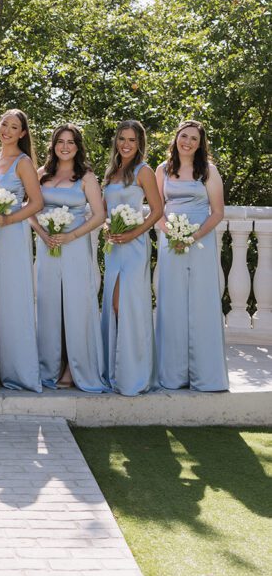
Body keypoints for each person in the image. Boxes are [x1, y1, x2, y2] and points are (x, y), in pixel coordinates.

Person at [155, 120, 228, 391]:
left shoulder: (208, 171)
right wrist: (171, 234)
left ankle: (205, 376)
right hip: (170, 242)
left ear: (200, 144)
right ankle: (172, 375)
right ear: (176, 138)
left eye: (193, 139)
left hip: (201, 243)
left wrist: (192, 236)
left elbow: (217, 212)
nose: (187, 142)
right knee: (171, 302)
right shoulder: (162, 170)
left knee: (201, 302)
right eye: (184, 136)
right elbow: (155, 210)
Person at [33, 123, 107, 392]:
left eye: (71, 142)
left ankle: (74, 367)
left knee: (76, 305)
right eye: (60, 141)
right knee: (49, 305)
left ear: (78, 147)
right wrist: (42, 233)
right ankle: (48, 366)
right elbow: (29, 208)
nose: (65, 147)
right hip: (47, 246)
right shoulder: (41, 174)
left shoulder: (86, 177)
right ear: (53, 145)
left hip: (74, 246)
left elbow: (99, 215)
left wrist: (72, 236)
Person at [101, 120, 161, 395]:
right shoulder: (113, 171)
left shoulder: (143, 171)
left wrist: (132, 233)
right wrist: (106, 229)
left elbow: (157, 211)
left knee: (128, 306)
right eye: (122, 139)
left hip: (134, 247)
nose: (126, 145)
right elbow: (104, 212)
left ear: (139, 144)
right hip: (114, 247)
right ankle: (117, 370)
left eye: (132, 140)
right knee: (114, 307)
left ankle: (134, 375)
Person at [0, 109, 43, 392]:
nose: (7, 130)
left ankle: (17, 370)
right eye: (4, 124)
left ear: (22, 133)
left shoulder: (23, 162)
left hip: (13, 235)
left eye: (14, 127)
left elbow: (36, 203)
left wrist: (7, 219)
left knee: (11, 299)